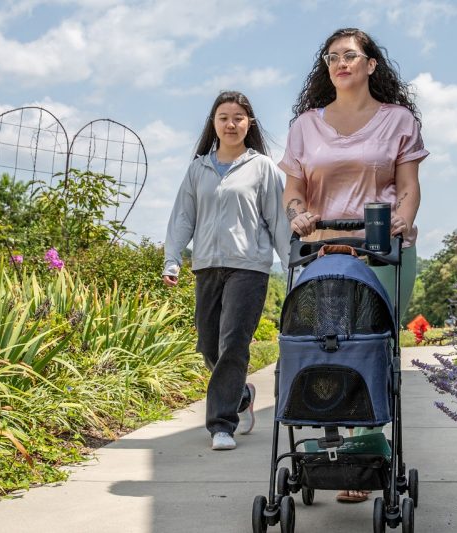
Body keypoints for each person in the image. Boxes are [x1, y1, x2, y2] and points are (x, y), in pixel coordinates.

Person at [279, 28, 428, 502]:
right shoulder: (305, 125)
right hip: (324, 254)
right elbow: (294, 190)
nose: (340, 63)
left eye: (350, 55)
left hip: (382, 253)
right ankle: (333, 451)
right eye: (332, 57)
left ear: (370, 65)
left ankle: (364, 454)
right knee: (326, 349)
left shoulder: (398, 121)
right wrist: (297, 214)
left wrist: (403, 219)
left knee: (370, 347)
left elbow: (408, 186)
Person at [163, 90, 290, 451]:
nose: (231, 123)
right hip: (206, 266)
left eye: (238, 117)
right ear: (214, 124)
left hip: (248, 267)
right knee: (208, 343)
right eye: (224, 117)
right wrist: (172, 260)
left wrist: (291, 264)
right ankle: (239, 395)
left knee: (234, 341)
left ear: (249, 123)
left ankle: (222, 425)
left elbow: (278, 220)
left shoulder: (262, 167)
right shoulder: (198, 168)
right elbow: (182, 219)